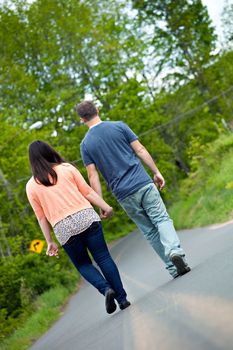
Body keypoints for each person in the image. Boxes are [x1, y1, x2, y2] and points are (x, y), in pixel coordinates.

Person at [76, 101, 191, 279]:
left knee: (149, 231)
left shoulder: (85, 145)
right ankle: (174, 250)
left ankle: (172, 267)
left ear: (82, 119)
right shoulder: (119, 126)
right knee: (161, 218)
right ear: (97, 110)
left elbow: (93, 176)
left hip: (123, 194)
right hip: (143, 183)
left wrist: (101, 203)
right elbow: (140, 150)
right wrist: (156, 172)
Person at [26, 140, 130, 314]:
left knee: (83, 265)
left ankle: (106, 289)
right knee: (103, 258)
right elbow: (87, 192)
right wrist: (105, 206)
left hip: (63, 228)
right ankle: (123, 299)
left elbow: (41, 218)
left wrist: (49, 241)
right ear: (49, 152)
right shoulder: (67, 168)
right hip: (86, 217)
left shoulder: (31, 186)